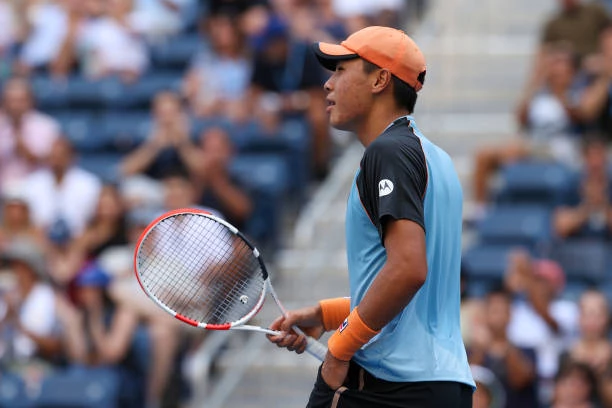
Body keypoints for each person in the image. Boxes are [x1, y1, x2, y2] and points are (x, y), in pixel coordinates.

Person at [267, 26, 475, 407]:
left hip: (389, 385)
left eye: (341, 70)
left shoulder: (388, 152)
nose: (328, 85)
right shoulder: (437, 159)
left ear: (380, 79)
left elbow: (408, 270)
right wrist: (326, 314)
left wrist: (340, 347)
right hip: (445, 386)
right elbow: (413, 295)